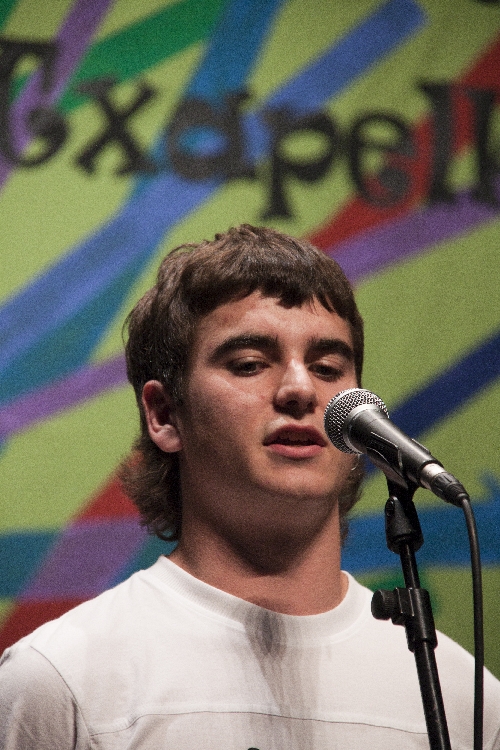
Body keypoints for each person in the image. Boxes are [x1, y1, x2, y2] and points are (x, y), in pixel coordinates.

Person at [0, 224, 499, 749]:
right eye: (249, 365)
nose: (300, 389)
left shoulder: (463, 700)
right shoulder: (60, 681)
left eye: (328, 367)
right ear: (164, 414)